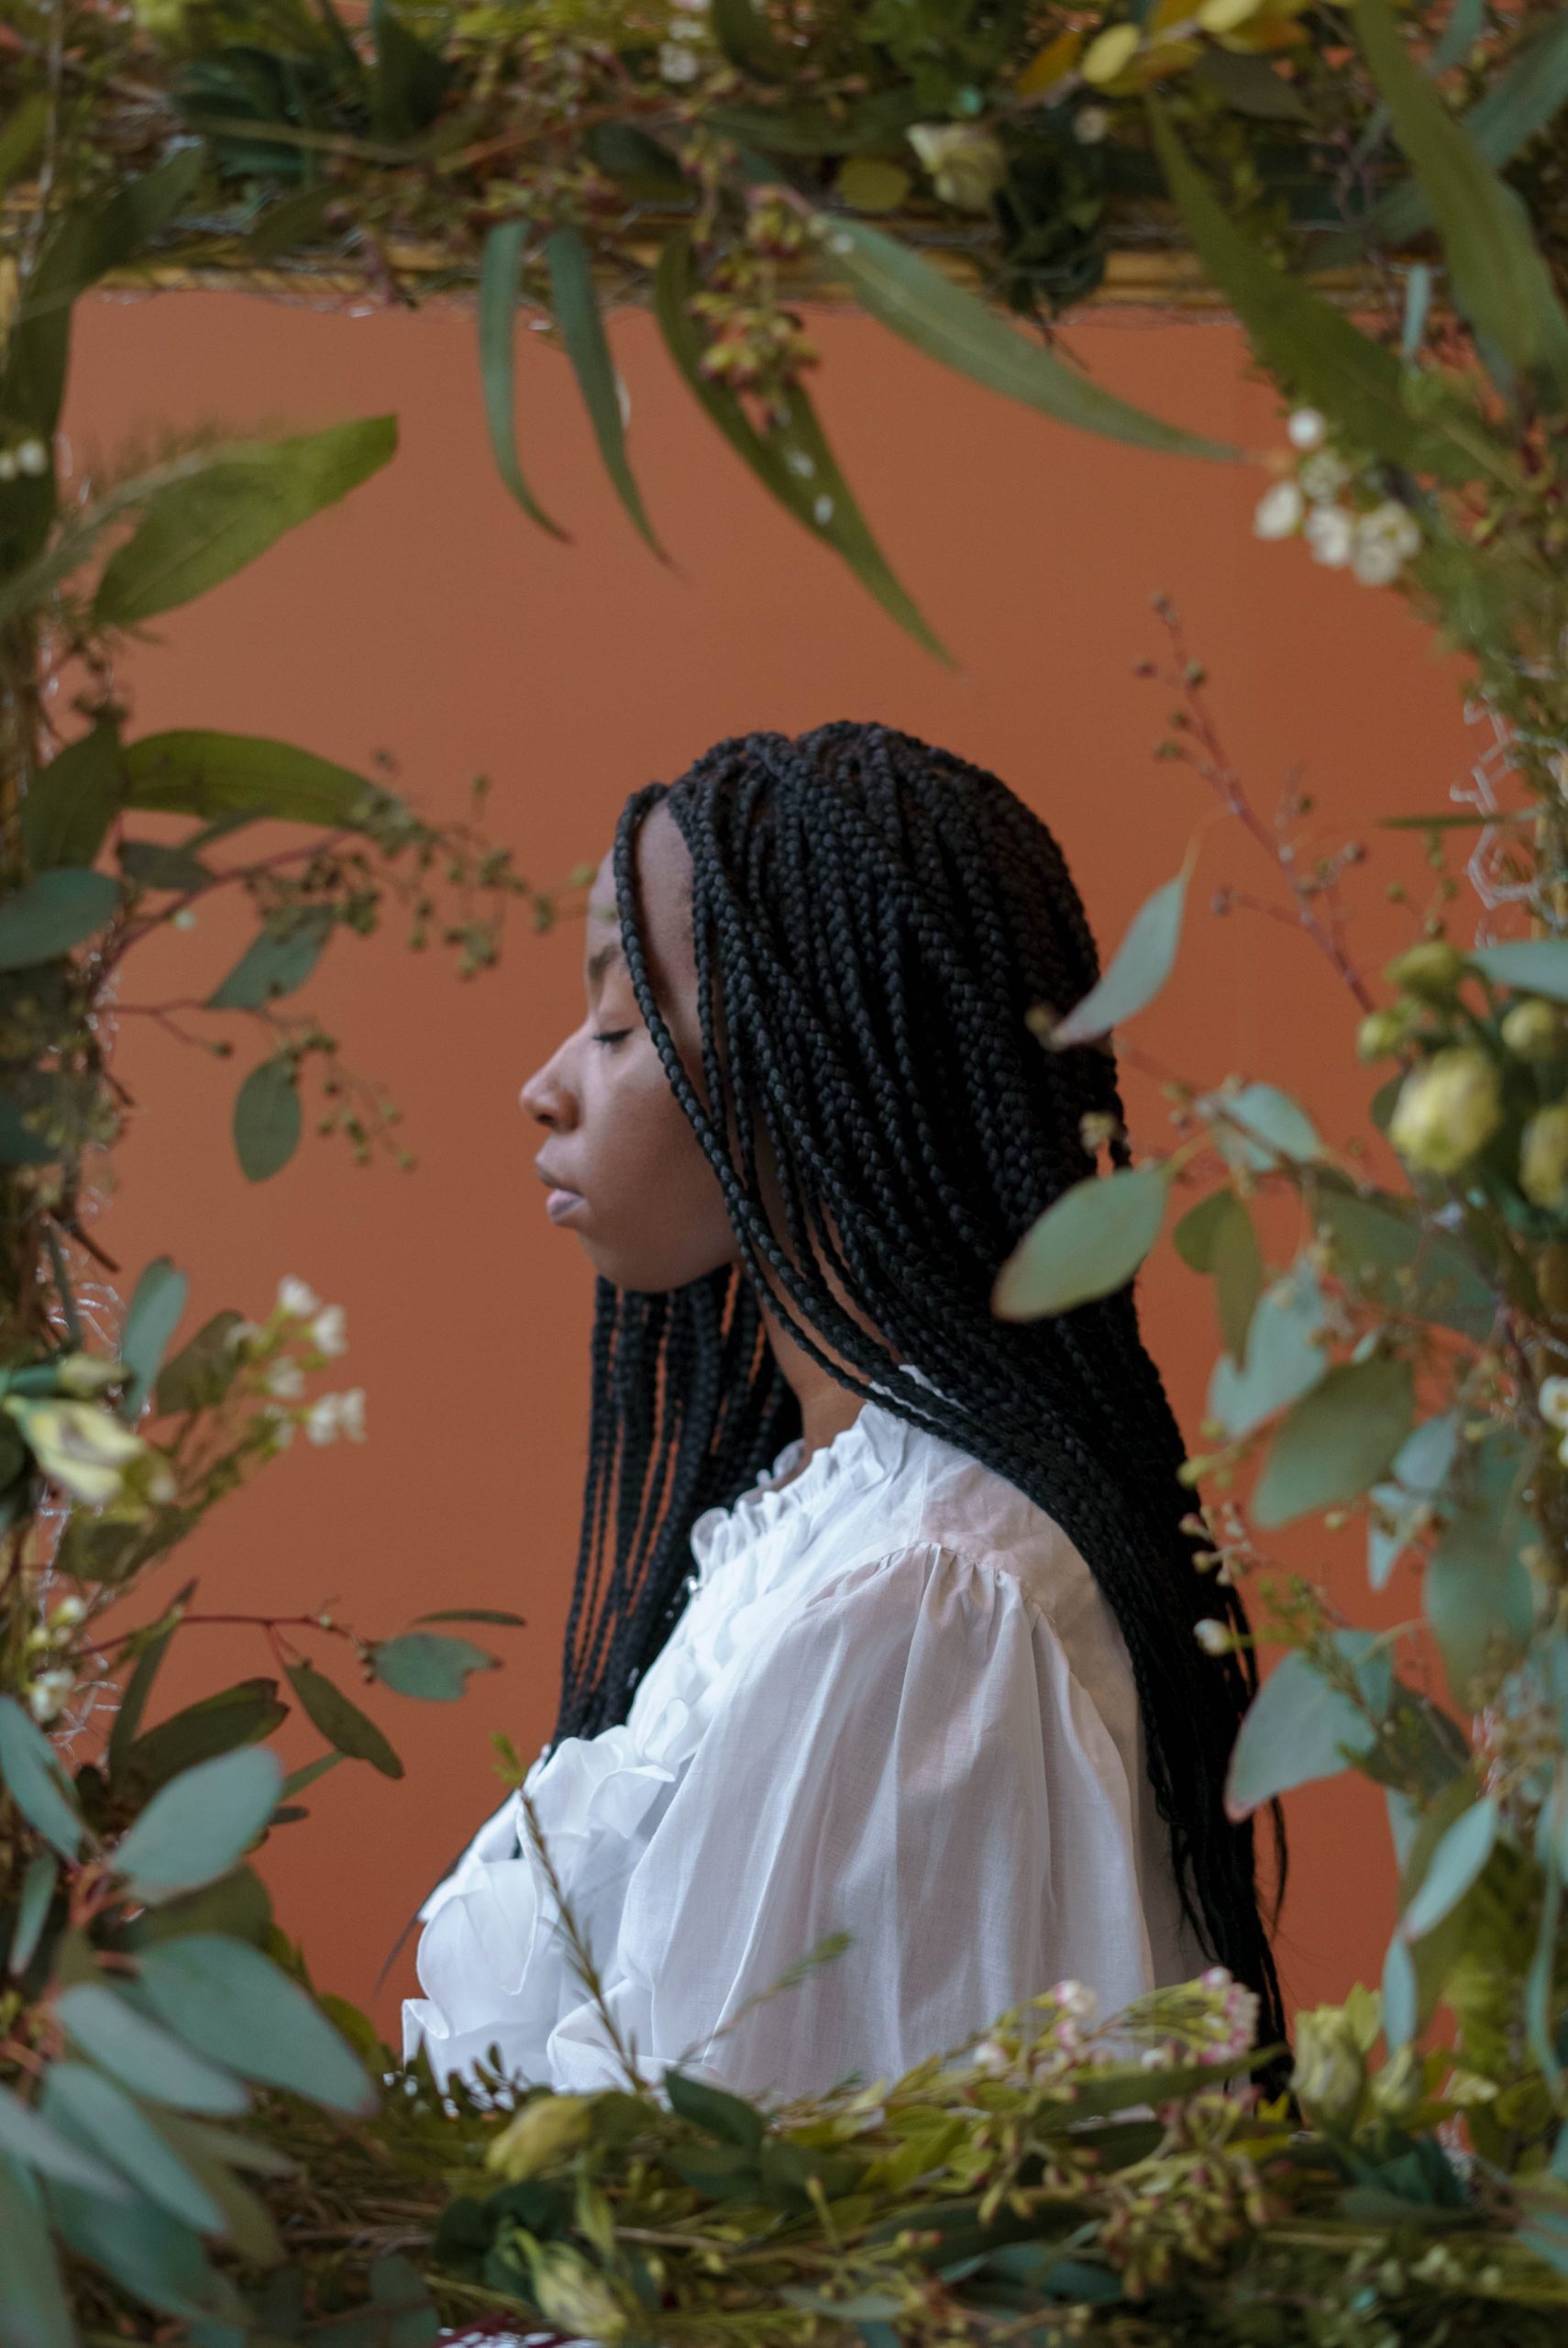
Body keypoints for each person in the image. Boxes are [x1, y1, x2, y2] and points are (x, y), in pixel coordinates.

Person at [402, 722, 1282, 2104]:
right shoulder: (820, 1539)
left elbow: (731, 2230)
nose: (550, 1082)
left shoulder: (919, 1606)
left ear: (810, 1059)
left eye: (622, 1021)